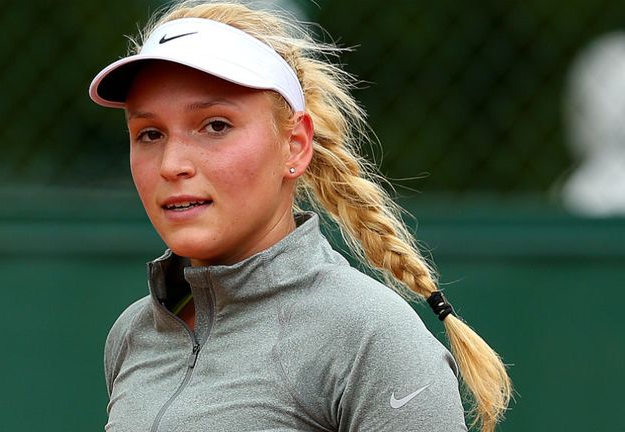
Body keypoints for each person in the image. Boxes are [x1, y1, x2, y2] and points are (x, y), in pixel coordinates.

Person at [88, 1, 511, 431]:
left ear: (294, 145)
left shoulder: (370, 334)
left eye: (215, 125)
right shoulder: (133, 335)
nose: (171, 163)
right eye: (150, 134)